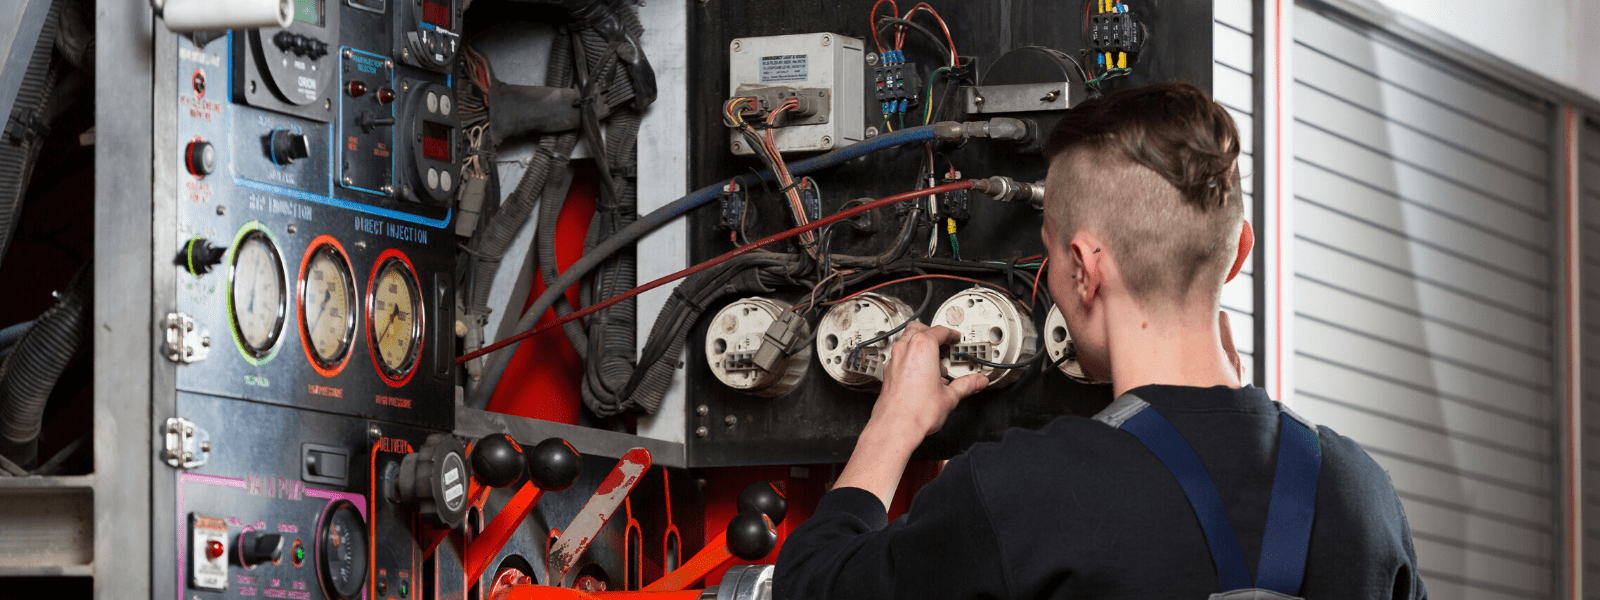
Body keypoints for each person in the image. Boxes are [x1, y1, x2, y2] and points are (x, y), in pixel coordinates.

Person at [773, 82, 1425, 599]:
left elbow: (812, 586)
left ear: (1084, 270)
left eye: (1049, 255)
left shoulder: (1020, 492)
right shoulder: (1363, 495)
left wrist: (893, 425)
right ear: (1238, 252)